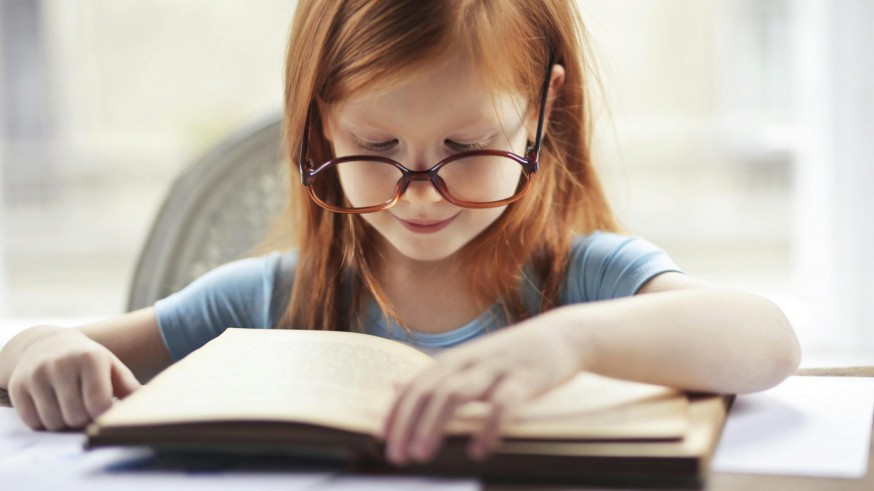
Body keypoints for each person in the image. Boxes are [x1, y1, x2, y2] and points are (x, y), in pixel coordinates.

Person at [0, 0, 800, 467]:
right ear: (321, 124)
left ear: (543, 111)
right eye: (376, 149)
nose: (422, 193)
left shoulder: (584, 278)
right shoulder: (273, 297)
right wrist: (36, 349)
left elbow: (766, 340)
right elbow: (38, 350)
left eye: (466, 147)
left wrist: (569, 345)